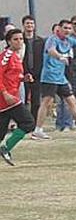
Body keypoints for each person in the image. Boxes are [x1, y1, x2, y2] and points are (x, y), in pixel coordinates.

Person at [32, 19, 76, 140]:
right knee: (46, 102)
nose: (68, 30)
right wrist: (60, 57)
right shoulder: (52, 39)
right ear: (59, 29)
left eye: (69, 28)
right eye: (65, 28)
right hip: (50, 76)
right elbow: (51, 51)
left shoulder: (69, 40)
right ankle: (38, 130)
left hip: (60, 77)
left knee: (71, 100)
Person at [0, 29, 37, 165]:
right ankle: (6, 148)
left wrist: (23, 78)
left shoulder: (16, 56)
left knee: (1, 131)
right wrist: (5, 93)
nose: (19, 41)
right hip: (7, 99)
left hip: (10, 97)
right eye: (15, 39)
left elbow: (11, 76)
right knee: (28, 123)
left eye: (21, 39)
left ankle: (5, 148)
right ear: (9, 41)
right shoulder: (7, 55)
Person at [21, 15, 44, 121]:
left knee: (36, 101)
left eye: (31, 23)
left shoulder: (40, 41)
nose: (29, 25)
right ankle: (23, 122)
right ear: (23, 25)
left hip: (37, 75)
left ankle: (34, 123)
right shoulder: (19, 40)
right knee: (23, 99)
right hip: (22, 74)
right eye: (27, 23)